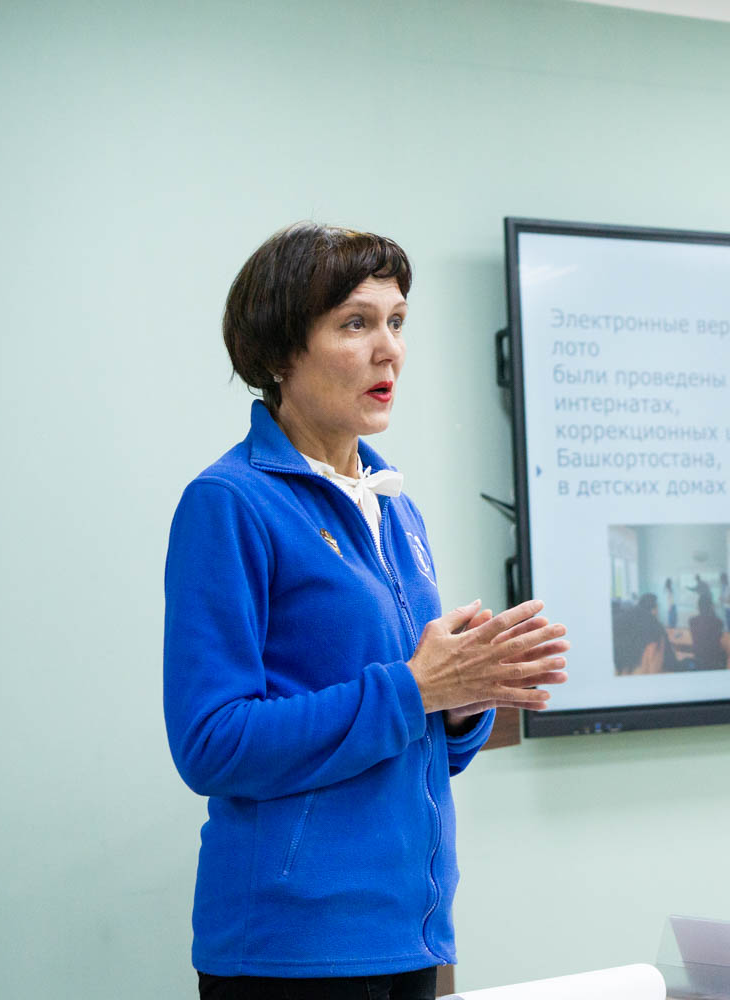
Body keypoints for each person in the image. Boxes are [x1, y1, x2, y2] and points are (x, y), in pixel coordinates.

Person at [164, 223, 570, 1000]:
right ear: (279, 353)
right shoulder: (230, 503)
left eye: (397, 322)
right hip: (292, 951)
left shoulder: (395, 507)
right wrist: (417, 687)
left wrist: (462, 701)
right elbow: (211, 744)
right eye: (356, 324)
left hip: (412, 934)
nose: (390, 350)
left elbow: (413, 738)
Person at [688, 594, 728, 671]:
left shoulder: (692, 621)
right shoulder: (718, 622)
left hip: (698, 658)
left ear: (698, 607)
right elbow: (718, 642)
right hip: (714, 661)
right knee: (725, 652)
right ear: (711, 606)